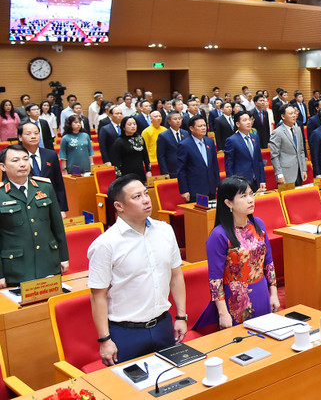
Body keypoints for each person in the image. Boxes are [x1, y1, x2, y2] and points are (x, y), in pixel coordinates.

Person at [87, 175, 187, 366]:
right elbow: (97, 295)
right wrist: (104, 339)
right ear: (119, 206)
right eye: (137, 197)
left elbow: (176, 275)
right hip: (126, 332)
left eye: (146, 194)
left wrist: (181, 316)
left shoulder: (165, 230)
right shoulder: (105, 244)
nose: (146, 200)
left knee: (171, 380)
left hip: (163, 325)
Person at [194, 176, 279, 331]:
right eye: (243, 196)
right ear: (228, 203)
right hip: (236, 299)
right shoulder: (219, 235)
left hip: (261, 291)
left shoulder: (258, 224)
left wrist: (273, 293)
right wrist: (222, 313)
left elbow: (268, 262)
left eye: (251, 194)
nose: (250, 200)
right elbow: (215, 280)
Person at [0, 145, 68, 288]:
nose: (22, 164)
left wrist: (63, 257)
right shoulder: (1, 194)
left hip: (48, 262)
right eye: (15, 160)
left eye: (26, 159)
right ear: (3, 167)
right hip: (16, 269)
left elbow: (57, 226)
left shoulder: (45, 187)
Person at [19, 122, 68, 215]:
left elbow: (58, 183)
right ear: (20, 137)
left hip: (50, 204)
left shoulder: (50, 155)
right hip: (26, 207)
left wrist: (62, 209)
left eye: (36, 133)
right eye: (28, 134)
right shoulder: (15, 158)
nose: (33, 136)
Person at [224, 112, 267, 190]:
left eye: (249, 120)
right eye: (244, 120)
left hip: (256, 179)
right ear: (238, 124)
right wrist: (232, 183)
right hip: (240, 181)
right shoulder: (232, 140)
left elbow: (259, 160)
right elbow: (229, 165)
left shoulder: (255, 137)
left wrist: (262, 180)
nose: (248, 122)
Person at [269, 105, 308, 186]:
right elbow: (275, 155)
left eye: (294, 113)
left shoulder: (297, 129)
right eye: (290, 114)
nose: (294, 115)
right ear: (283, 116)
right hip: (285, 173)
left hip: (299, 171)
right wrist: (279, 174)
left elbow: (301, 151)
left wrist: (304, 169)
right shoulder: (277, 132)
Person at [111, 117, 151, 182]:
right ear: (123, 127)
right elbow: (116, 161)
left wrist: (149, 171)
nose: (133, 126)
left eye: (134, 124)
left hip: (140, 171)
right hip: (126, 173)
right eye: (129, 124)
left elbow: (145, 156)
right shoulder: (119, 142)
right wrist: (119, 176)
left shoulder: (140, 139)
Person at [156, 111, 188, 178]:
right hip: (172, 169)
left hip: (186, 167)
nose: (178, 121)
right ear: (169, 121)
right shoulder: (163, 136)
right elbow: (161, 156)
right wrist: (165, 172)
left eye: (179, 119)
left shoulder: (186, 133)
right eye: (175, 119)